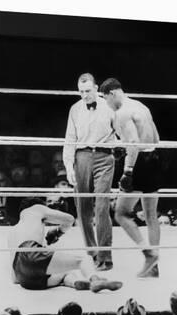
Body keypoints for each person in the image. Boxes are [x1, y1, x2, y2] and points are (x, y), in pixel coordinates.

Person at [100, 78, 162, 278]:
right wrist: (124, 147)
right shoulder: (140, 106)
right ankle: (154, 267)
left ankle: (149, 254)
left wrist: (127, 171)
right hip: (154, 158)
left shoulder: (122, 112)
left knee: (121, 213)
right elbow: (155, 138)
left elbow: (134, 142)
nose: (106, 104)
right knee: (151, 215)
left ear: (112, 93)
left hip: (138, 164)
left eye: (105, 98)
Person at [7, 197, 122, 292]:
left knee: (64, 272)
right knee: (83, 259)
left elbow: (14, 278)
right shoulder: (36, 208)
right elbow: (70, 219)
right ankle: (95, 280)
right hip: (30, 252)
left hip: (23, 277)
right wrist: (58, 232)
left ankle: (77, 283)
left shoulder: (13, 232)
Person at [63, 73, 116, 271]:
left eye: (88, 91)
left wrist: (118, 147)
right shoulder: (75, 109)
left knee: (102, 207)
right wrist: (68, 165)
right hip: (82, 156)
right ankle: (93, 252)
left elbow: (121, 131)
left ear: (96, 88)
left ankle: (105, 255)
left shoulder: (109, 106)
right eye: (81, 91)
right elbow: (69, 138)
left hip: (104, 156)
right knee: (83, 207)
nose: (85, 95)